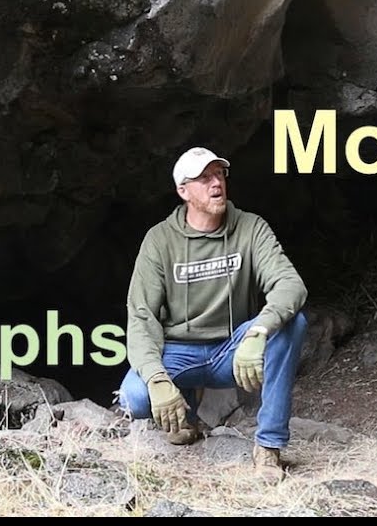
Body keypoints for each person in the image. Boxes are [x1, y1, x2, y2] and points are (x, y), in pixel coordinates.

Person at [117, 146, 309, 483]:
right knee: (136, 398)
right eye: (204, 178)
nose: (215, 183)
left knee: (293, 323)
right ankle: (185, 418)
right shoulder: (159, 241)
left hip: (233, 351)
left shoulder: (251, 228)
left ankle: (268, 447)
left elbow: (290, 286)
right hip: (180, 352)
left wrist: (259, 330)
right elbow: (141, 317)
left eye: (219, 174)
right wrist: (158, 379)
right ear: (183, 191)